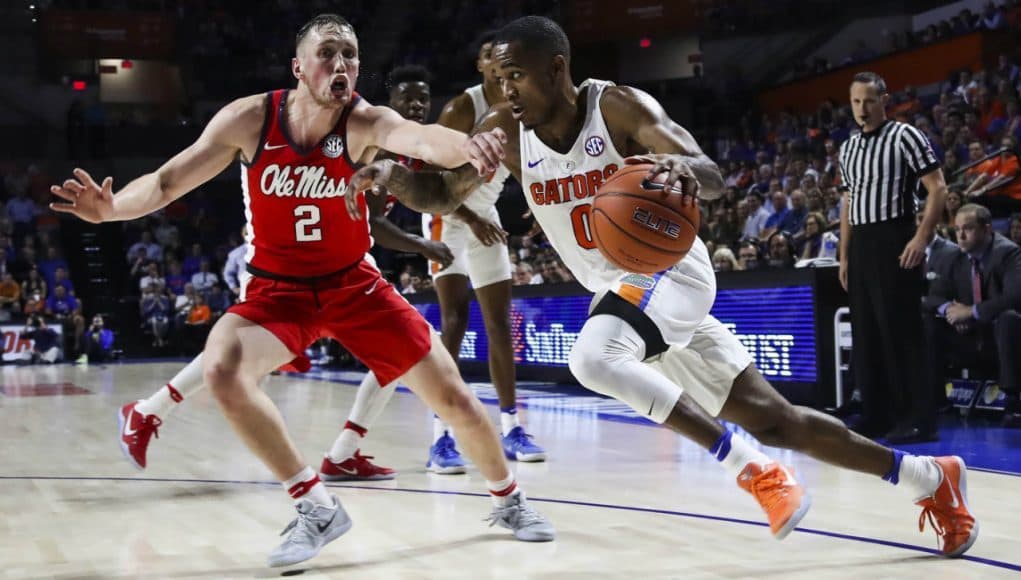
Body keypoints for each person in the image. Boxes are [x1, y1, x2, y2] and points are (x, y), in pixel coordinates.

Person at [355, 16, 977, 557]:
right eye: (499, 78)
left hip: (669, 272)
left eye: (516, 75)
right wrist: (391, 177)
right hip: (630, 298)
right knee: (778, 420)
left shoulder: (619, 107)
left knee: (592, 357)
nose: (504, 89)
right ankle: (930, 478)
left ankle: (752, 472)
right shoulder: (507, 131)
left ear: (557, 67)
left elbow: (709, 173)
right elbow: (440, 193)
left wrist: (684, 170)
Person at [50, 13, 552, 568]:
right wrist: (112, 210)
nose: (341, 66)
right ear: (298, 67)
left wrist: (469, 145)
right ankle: (315, 506)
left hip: (352, 284)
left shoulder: (362, 121)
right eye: (328, 54)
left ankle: (509, 499)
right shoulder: (249, 118)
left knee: (454, 398)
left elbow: (418, 138)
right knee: (221, 369)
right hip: (278, 290)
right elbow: (169, 181)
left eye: (351, 56)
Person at [335, 40, 547, 479]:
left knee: (499, 323)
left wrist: (540, 197)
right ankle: (441, 437)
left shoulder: (521, 105)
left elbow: (527, 159)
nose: (503, 66)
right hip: (449, 218)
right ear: (482, 62)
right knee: (454, 320)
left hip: (484, 218)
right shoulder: (459, 109)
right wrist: (468, 220)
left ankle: (512, 426)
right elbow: (436, 189)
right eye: (494, 56)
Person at [838, 71, 949, 444]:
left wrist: (922, 237)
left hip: (895, 236)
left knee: (901, 332)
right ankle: (876, 414)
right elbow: (848, 200)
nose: (862, 108)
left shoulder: (905, 135)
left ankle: (918, 419)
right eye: (856, 101)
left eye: (869, 100)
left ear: (884, 100)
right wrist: (844, 256)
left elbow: (938, 187)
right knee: (867, 333)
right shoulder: (848, 147)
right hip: (862, 244)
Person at [923, 203, 1021, 427]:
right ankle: (935, 398)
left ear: (987, 229)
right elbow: (932, 298)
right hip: (967, 337)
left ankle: (1013, 402)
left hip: (998, 337)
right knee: (929, 322)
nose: (961, 235)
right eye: (957, 229)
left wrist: (971, 312)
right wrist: (950, 311)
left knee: (1008, 318)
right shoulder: (955, 257)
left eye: (968, 228)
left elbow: (1015, 296)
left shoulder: (1008, 253)